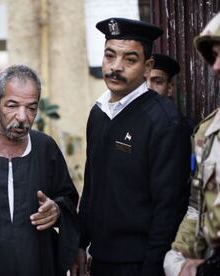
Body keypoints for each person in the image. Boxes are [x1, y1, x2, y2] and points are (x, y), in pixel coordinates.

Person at [71, 18, 190, 276]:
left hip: (138, 263)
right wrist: (80, 243)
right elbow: (91, 185)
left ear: (147, 67)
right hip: (100, 259)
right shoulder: (99, 112)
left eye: (130, 60)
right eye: (109, 56)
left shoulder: (163, 121)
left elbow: (168, 208)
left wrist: (152, 268)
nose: (116, 67)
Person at [0, 64, 79, 276]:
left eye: (31, 108)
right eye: (12, 105)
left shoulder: (45, 148)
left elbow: (68, 199)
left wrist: (56, 210)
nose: (22, 117)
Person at [164, 12, 220, 276]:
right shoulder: (208, 131)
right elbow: (198, 206)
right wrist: (180, 253)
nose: (216, 66)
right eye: (215, 56)